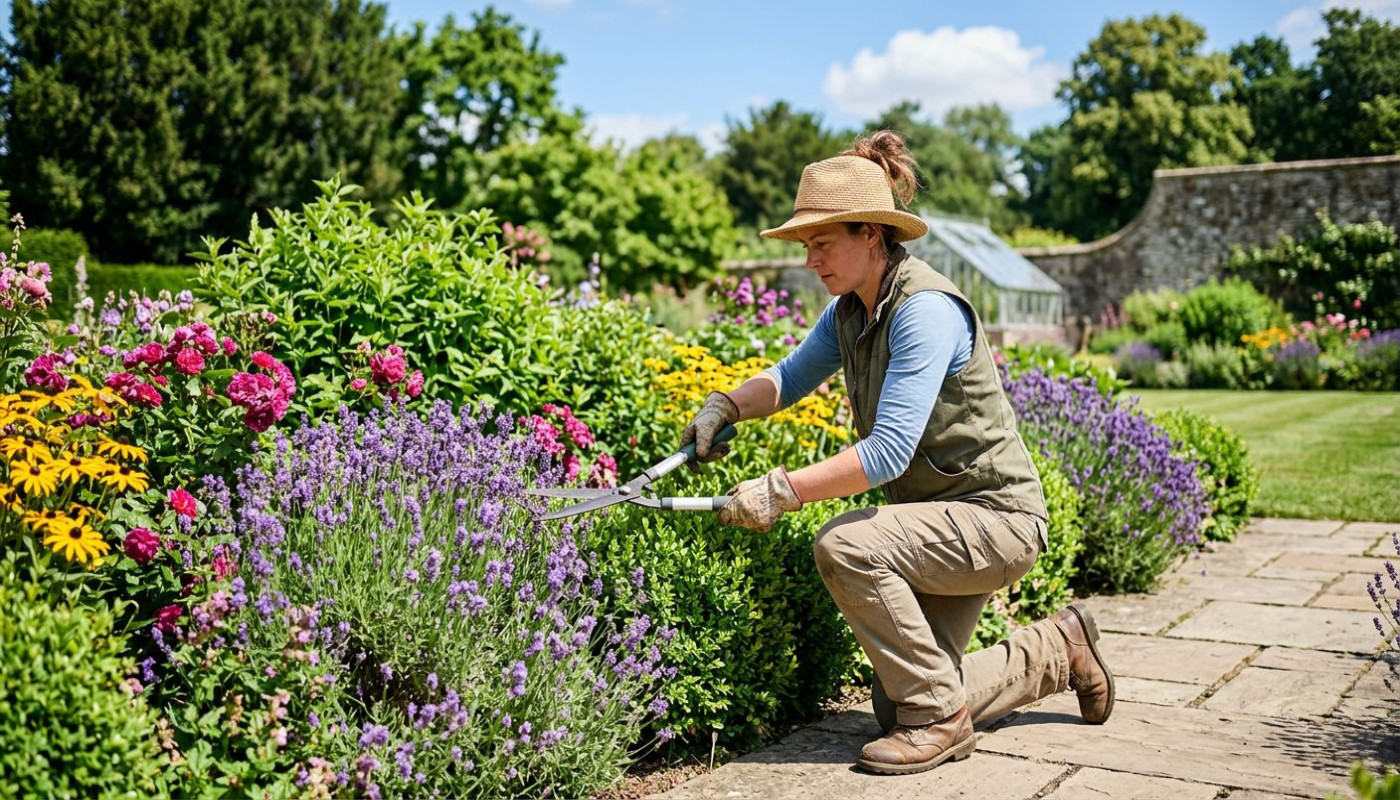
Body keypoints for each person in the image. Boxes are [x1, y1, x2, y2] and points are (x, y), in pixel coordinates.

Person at [681, 131, 1114, 776]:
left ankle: (942, 723)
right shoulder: (850, 312)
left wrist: (782, 490)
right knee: (896, 705)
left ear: (872, 235)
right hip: (939, 521)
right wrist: (726, 404)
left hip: (996, 519)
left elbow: (885, 454)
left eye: (821, 243)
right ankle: (1059, 648)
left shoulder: (925, 311)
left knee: (844, 545)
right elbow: (790, 377)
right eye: (806, 245)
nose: (810, 261)